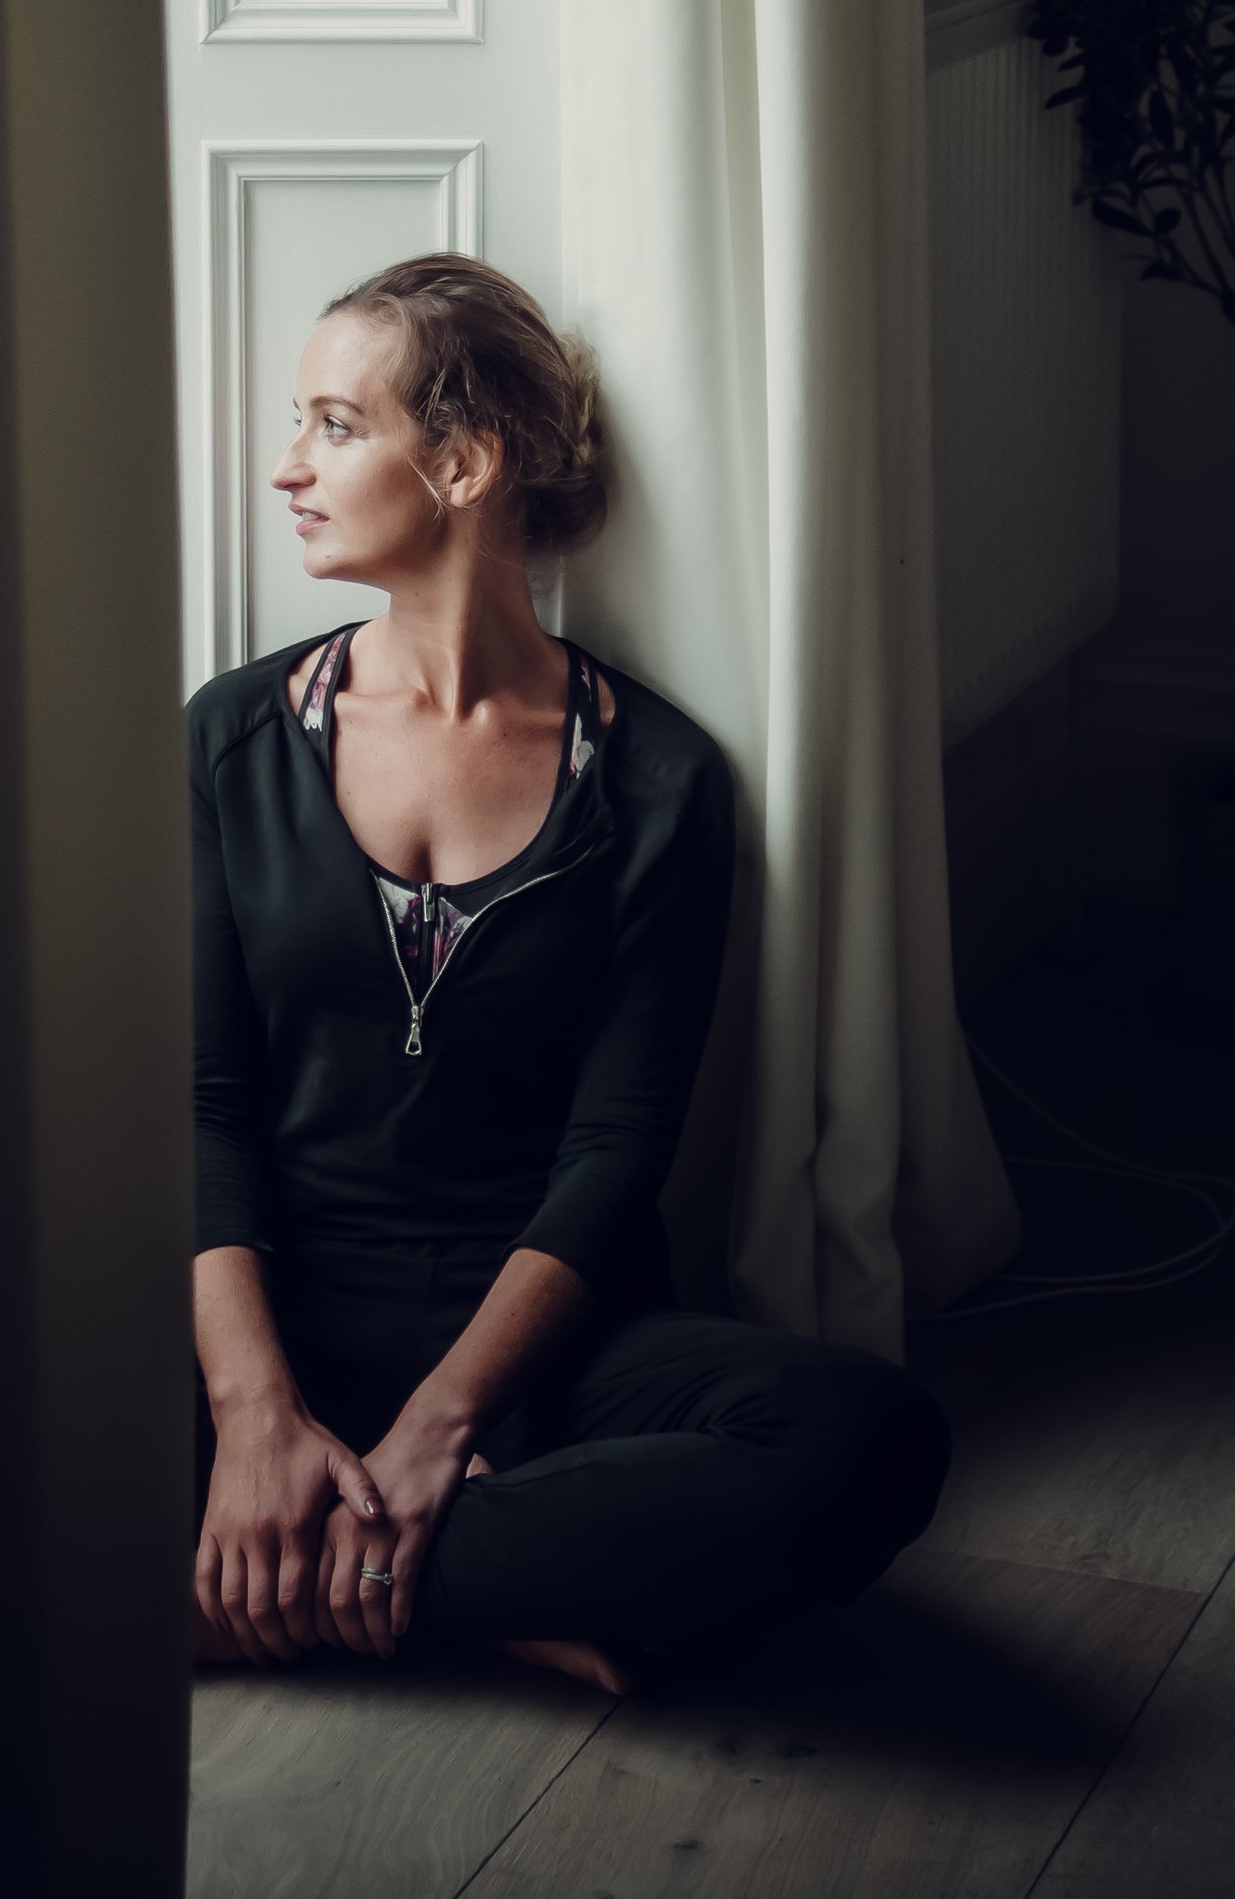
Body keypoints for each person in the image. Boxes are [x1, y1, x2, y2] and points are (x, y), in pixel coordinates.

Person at [188, 253, 949, 1688]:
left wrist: (440, 1426)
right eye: (301, 422)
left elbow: (617, 1150)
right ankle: (466, 1586)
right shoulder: (231, 741)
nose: (288, 466)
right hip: (269, 1317)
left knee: (869, 1438)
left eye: (336, 425)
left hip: (531, 1348)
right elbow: (203, 1102)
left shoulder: (659, 781)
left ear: (467, 463)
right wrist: (251, 1412)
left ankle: (256, 1590)